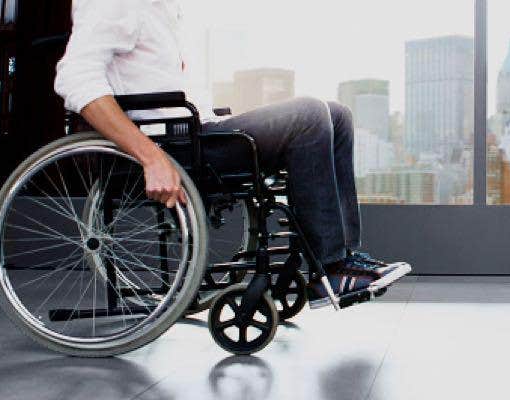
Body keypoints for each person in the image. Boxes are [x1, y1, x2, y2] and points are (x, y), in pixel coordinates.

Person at [54, 0, 411, 308]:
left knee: (338, 115)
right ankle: (331, 270)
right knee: (310, 115)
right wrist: (149, 157)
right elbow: (75, 78)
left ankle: (344, 258)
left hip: (195, 135)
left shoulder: (162, 10)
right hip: (170, 148)